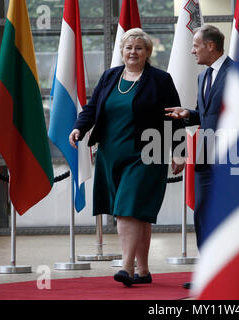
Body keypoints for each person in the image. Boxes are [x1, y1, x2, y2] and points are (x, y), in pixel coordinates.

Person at [69, 28, 185, 287]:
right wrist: (79, 127)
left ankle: (126, 267)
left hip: (147, 153)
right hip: (112, 153)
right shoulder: (110, 77)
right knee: (139, 213)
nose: (133, 52)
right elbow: (91, 108)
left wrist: (179, 150)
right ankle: (143, 271)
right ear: (121, 51)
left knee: (127, 209)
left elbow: (174, 117)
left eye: (139, 48)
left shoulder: (160, 80)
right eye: (128, 48)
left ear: (147, 52)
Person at [165, 25, 234, 288]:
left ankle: (229, 271)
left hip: (232, 155)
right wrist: (189, 114)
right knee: (203, 212)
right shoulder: (202, 77)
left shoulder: (237, 73)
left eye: (196, 45)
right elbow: (207, 115)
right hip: (205, 154)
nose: (192, 50)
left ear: (211, 46)